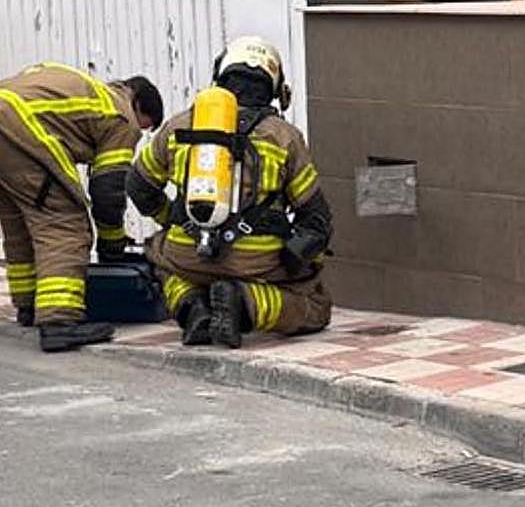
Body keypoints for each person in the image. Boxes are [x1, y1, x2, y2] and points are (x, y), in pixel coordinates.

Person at [126, 36, 333, 348]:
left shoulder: (178, 126)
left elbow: (138, 185)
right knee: (316, 304)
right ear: (274, 88)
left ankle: (193, 307)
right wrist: (296, 257)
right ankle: (244, 303)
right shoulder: (283, 137)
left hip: (188, 253)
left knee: (158, 254)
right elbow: (315, 216)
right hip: (256, 260)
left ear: (220, 77)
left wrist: (171, 218)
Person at [0, 62, 163, 351]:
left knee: (20, 222)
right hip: (20, 124)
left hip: (9, 112)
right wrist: (111, 243)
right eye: (144, 127)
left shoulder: (91, 94)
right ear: (137, 104)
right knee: (63, 224)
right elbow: (108, 192)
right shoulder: (121, 114)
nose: (138, 136)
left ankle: (29, 305)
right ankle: (59, 321)